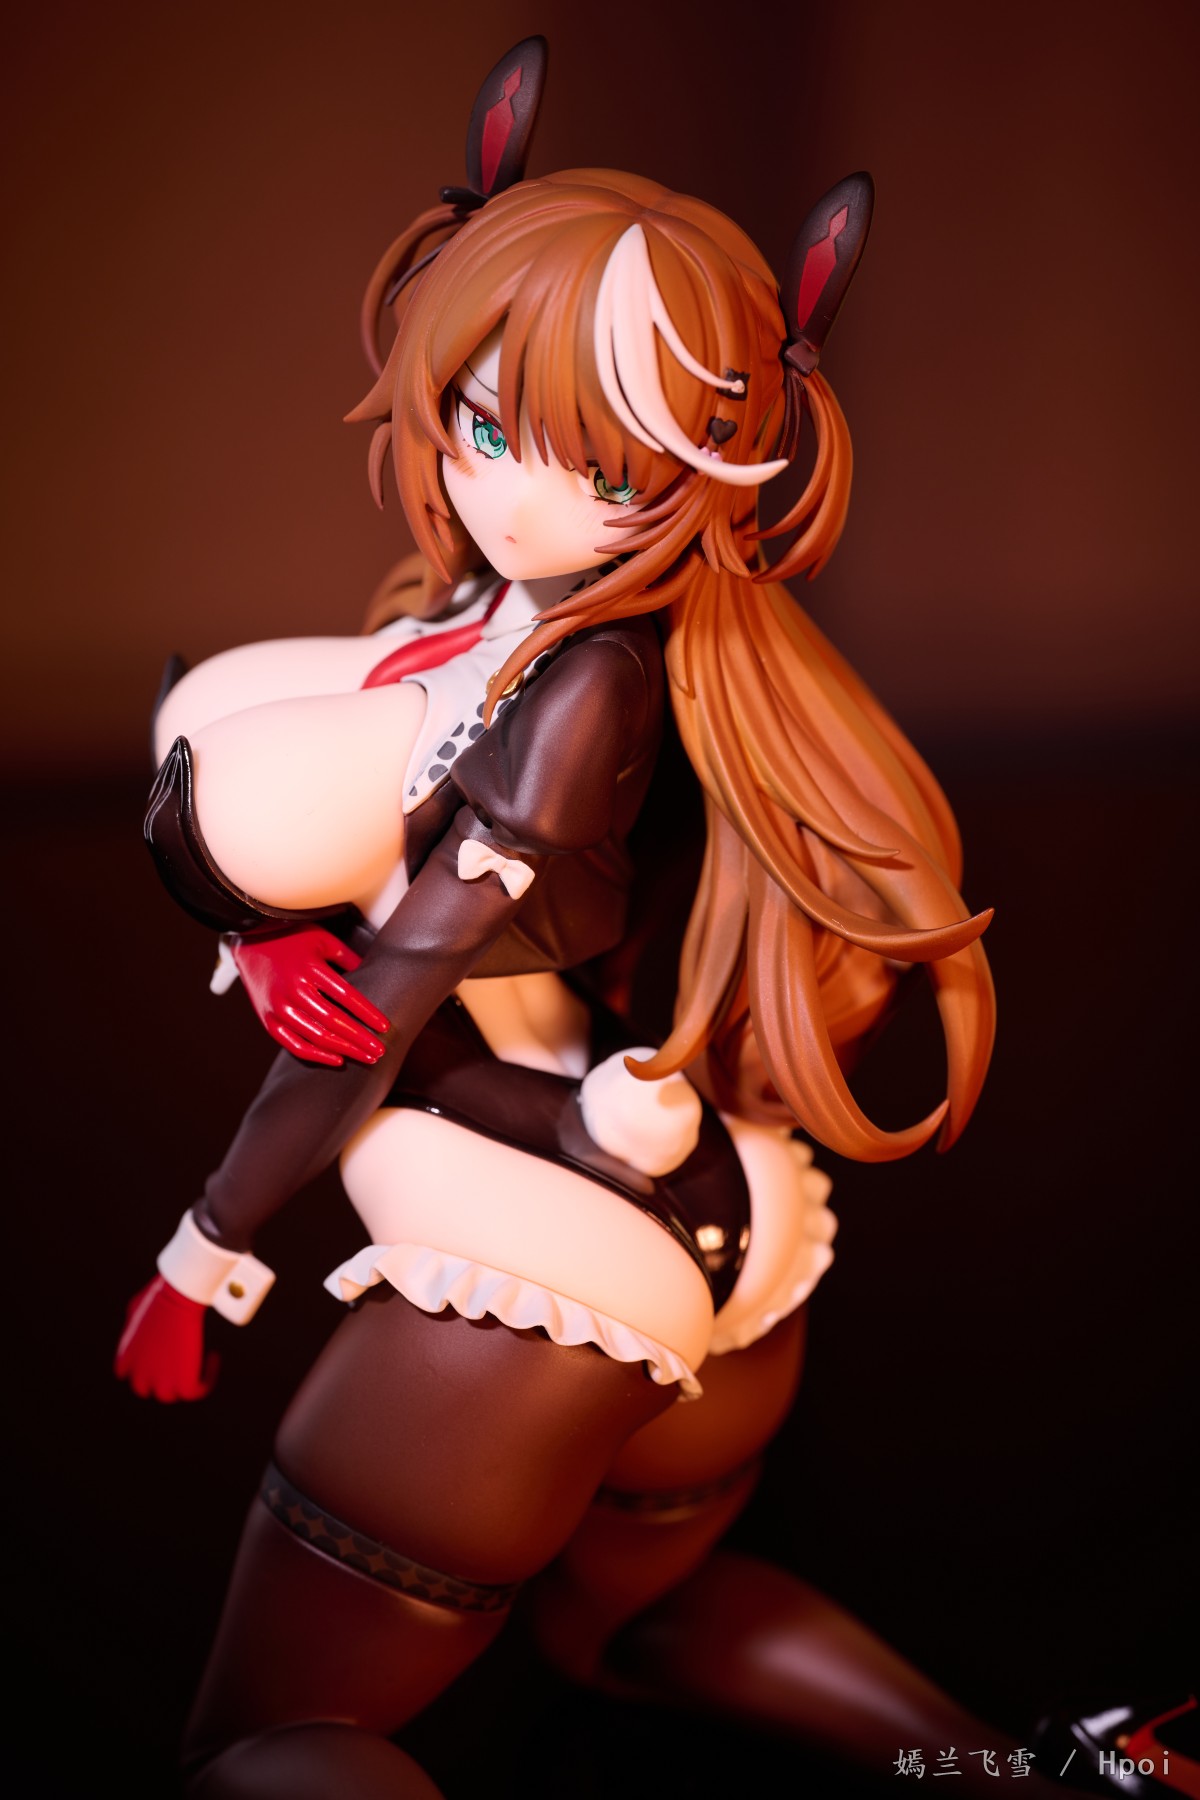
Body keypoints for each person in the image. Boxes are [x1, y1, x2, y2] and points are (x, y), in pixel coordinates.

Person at [114, 41, 1059, 1800]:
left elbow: (392, 1005)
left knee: (266, 1745)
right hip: (717, 1246)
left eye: (602, 467)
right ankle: (1030, 1778)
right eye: (485, 427)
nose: (515, 491)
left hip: (544, 1271)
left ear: (720, 465)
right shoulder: (521, 622)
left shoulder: (585, 696)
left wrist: (206, 1254)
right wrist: (263, 931)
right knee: (630, 1629)